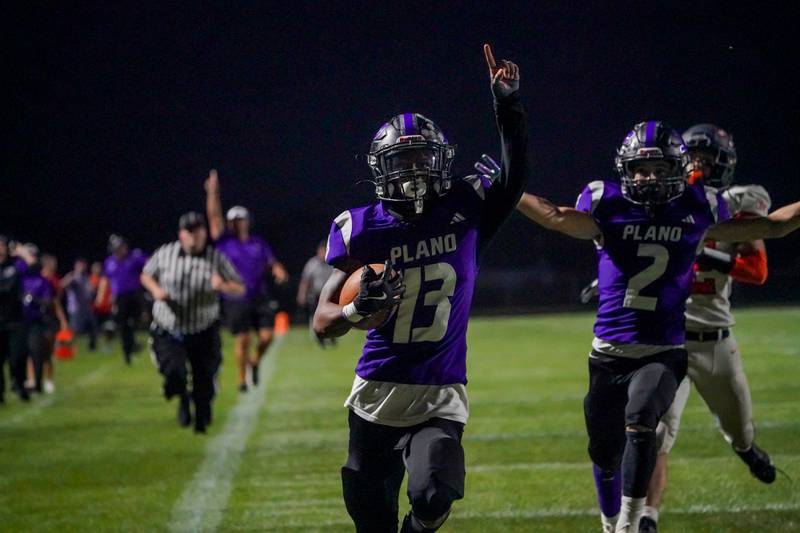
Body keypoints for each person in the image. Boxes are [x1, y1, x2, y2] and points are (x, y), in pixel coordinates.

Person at [515, 120, 800, 532]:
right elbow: (556, 217)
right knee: (604, 451)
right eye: (641, 169)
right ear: (625, 170)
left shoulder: (699, 206)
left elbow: (773, 226)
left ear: (677, 170)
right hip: (609, 352)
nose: (649, 178)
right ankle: (614, 521)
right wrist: (510, 191)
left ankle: (634, 523)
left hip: (666, 349)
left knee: (645, 423)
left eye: (660, 169)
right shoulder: (606, 203)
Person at [313, 44, 527, 533]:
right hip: (376, 395)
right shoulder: (362, 228)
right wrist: (352, 313)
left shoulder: (465, 206)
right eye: (401, 161)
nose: (412, 171)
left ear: (440, 161)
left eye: (420, 159)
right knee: (372, 521)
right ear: (380, 169)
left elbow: (514, 182)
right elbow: (321, 322)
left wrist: (508, 106)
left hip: (439, 393)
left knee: (434, 495)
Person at [639, 124, 775, 532]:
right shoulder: (666, 202)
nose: (697, 165)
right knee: (657, 435)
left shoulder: (737, 203)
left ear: (723, 165)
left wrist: (711, 260)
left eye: (706, 158)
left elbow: (758, 270)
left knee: (739, 428)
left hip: (716, 342)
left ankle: (747, 450)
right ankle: (647, 517)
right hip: (671, 342)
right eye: (691, 157)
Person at [141, 212, 244, 434]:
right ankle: (181, 398)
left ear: (204, 233)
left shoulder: (215, 258)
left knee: (204, 380)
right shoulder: (166, 253)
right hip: (170, 329)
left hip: (203, 329)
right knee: (174, 372)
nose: (194, 236)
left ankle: (202, 413)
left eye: (198, 230)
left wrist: (223, 287)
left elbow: (240, 287)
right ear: (181, 234)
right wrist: (156, 290)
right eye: (189, 231)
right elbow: (146, 275)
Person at [204, 170, 289, 392]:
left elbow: (272, 262)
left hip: (259, 296)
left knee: (267, 337)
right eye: (233, 220)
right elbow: (214, 217)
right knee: (242, 339)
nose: (237, 223)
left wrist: (278, 269)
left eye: (240, 219)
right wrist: (213, 193)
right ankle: (242, 380)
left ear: (247, 221)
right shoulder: (224, 241)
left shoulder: (258, 242)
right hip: (235, 297)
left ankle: (255, 362)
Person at [20, 244, 68, 394]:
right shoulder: (29, 279)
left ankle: (48, 380)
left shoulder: (48, 281)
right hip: (34, 320)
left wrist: (62, 321)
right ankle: (32, 379)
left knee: (46, 353)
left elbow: (55, 302)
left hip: (48, 320)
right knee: (31, 352)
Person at [100, 235, 148, 364]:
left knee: (138, 321)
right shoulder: (109, 262)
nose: (122, 249)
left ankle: (134, 342)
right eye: (118, 247)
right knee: (123, 326)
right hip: (119, 298)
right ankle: (128, 351)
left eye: (122, 246)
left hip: (135, 295)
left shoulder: (134, 258)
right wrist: (103, 296)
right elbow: (106, 280)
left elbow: (149, 266)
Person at [0, 236, 36, 402]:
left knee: (17, 357)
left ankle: (20, 386)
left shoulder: (16, 264)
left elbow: (33, 264)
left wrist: (21, 251)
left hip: (16, 320)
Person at [297, 241, 335, 347]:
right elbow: (305, 281)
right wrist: (302, 295)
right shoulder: (312, 263)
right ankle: (318, 337)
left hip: (329, 294)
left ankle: (331, 335)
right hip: (316, 295)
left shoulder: (331, 262)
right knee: (315, 316)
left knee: (331, 316)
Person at [61, 258, 98, 351]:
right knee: (73, 330)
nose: (82, 267)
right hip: (76, 309)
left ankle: (92, 348)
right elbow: (63, 285)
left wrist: (92, 290)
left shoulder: (86, 278)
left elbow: (89, 292)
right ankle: (65, 347)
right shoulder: (74, 277)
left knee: (93, 328)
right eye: (80, 265)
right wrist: (69, 279)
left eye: (83, 265)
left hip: (86, 308)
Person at [90, 261, 115, 352]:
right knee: (95, 329)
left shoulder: (105, 279)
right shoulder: (92, 279)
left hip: (107, 308)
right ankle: (93, 347)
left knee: (109, 327)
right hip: (96, 309)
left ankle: (107, 345)